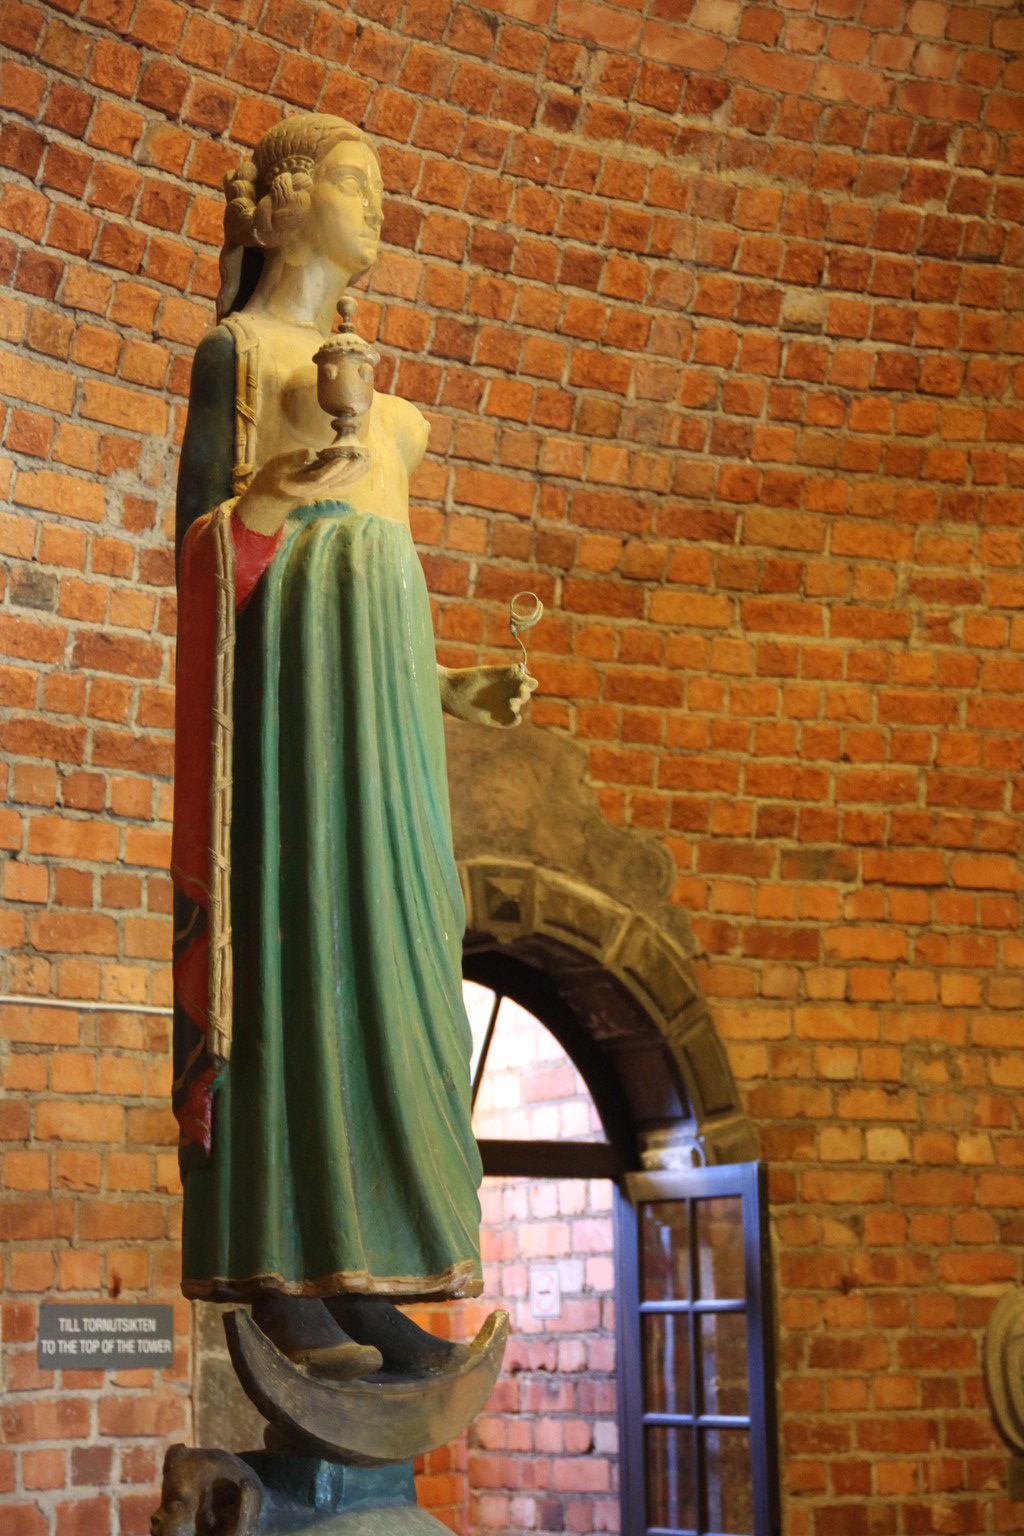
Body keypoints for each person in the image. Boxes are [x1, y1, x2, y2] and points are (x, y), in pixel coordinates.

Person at [171, 114, 534, 1378]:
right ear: (281, 203)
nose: (375, 205)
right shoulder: (239, 355)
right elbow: (202, 570)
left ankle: (375, 1272)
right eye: (352, 182)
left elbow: (375, 590)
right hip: (291, 745)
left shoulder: (399, 418)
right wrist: (270, 494)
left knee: (407, 960)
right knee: (306, 953)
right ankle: (288, 1266)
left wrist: (450, 684)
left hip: (387, 747)